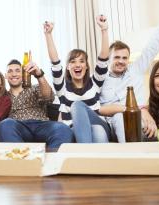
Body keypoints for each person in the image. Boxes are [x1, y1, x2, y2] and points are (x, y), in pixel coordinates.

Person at [100, 0, 159, 142]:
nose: (121, 61)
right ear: (108, 59)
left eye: (125, 58)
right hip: (111, 124)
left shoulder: (135, 70)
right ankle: (132, 157)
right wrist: (139, 108)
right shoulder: (100, 79)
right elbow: (99, 108)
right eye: (117, 57)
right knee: (119, 117)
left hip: (140, 122)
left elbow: (154, 44)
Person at [43, 15, 115, 143]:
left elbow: (103, 59)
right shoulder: (62, 89)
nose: (77, 65)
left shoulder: (94, 83)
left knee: (80, 109)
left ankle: (83, 153)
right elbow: (55, 62)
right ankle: (90, 158)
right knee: (97, 132)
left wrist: (104, 30)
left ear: (86, 67)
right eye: (73, 61)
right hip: (75, 130)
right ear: (68, 67)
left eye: (82, 61)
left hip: (98, 123)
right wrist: (48, 34)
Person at [0, 59, 73, 149]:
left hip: (42, 125)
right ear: (5, 76)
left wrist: (39, 75)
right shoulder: (3, 96)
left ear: (23, 73)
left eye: (18, 71)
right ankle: (21, 159)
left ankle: (50, 160)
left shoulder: (35, 88)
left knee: (63, 128)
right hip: (19, 126)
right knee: (5, 124)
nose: (14, 74)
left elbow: (48, 97)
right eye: (10, 71)